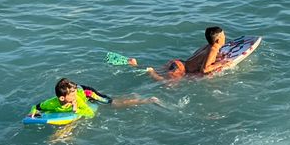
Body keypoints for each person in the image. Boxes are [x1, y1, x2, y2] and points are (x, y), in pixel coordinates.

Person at [27, 77, 160, 119]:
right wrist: (34, 112)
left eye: (73, 94)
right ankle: (132, 96)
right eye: (71, 95)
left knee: (111, 103)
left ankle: (145, 100)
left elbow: (90, 113)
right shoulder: (50, 103)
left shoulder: (77, 99)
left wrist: (75, 109)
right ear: (62, 98)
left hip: (87, 92)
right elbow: (37, 106)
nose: (73, 97)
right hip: (77, 89)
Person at [145, 27, 228, 81]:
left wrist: (219, 56)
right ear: (218, 40)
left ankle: (137, 65)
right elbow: (205, 69)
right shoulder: (214, 49)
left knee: (158, 70)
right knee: (167, 83)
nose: (225, 37)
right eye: (223, 36)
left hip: (178, 63)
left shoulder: (207, 46)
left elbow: (202, 58)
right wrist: (221, 63)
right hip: (181, 69)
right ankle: (151, 72)